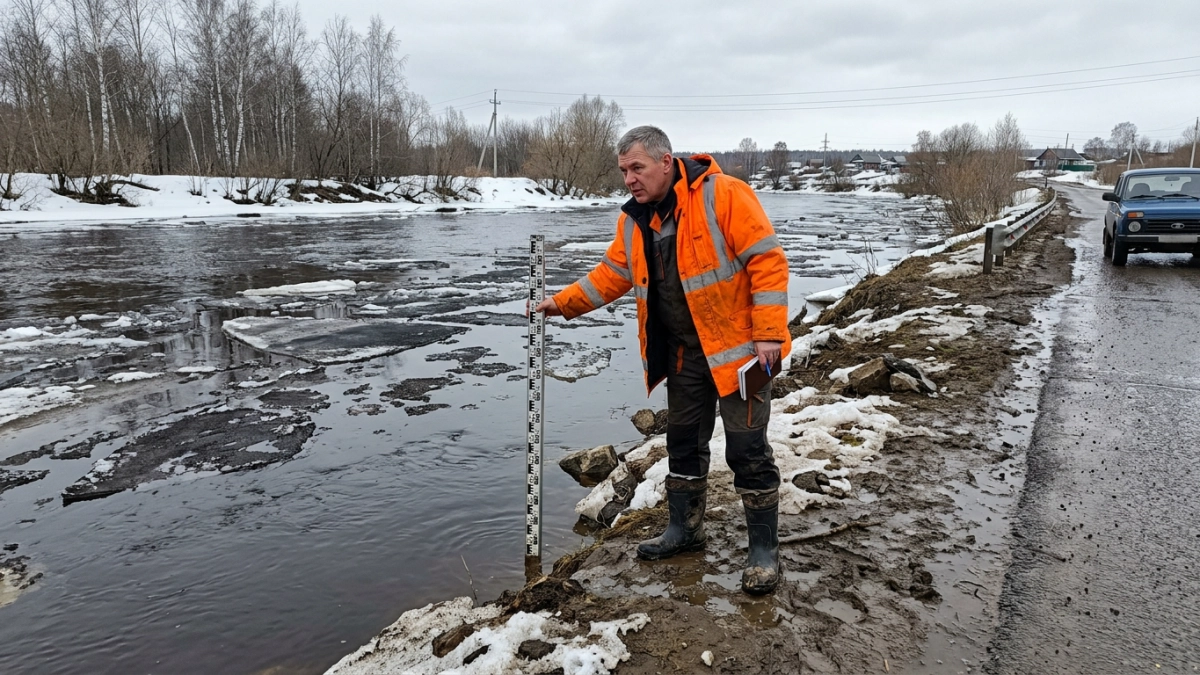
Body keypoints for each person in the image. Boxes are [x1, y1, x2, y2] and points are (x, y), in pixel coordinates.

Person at [534, 125, 791, 594]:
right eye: (623, 171)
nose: (629, 179)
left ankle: (763, 550)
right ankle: (685, 530)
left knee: (747, 449)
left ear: (666, 162)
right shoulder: (633, 220)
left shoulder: (725, 196)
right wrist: (563, 303)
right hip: (681, 356)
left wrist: (771, 334)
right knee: (682, 445)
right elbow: (612, 274)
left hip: (743, 356)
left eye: (637, 168)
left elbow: (767, 261)